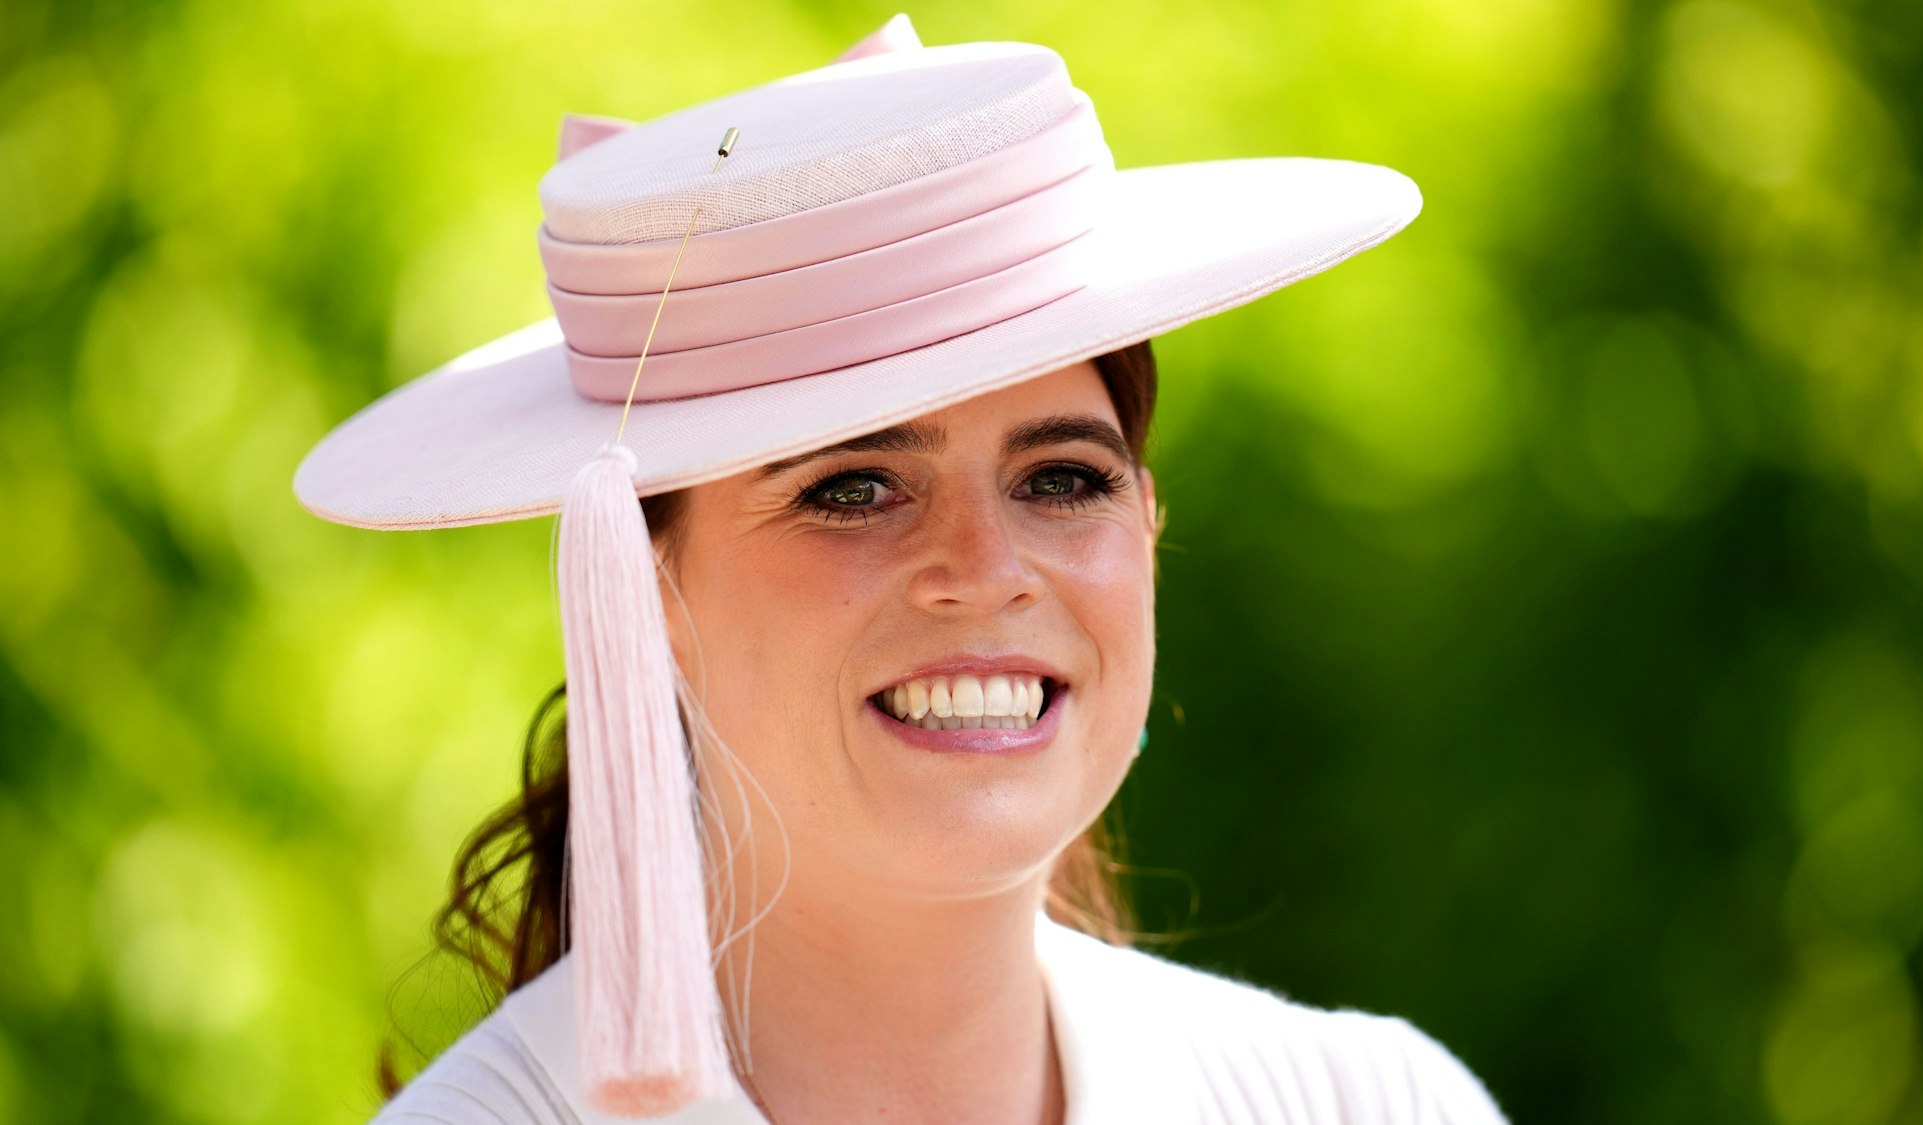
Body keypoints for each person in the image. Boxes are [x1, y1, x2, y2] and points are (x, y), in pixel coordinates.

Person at [294, 14, 1509, 1124]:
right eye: (853, 490)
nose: (983, 573)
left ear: (1146, 525)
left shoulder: (1371, 1104)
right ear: (641, 585)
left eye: (1061, 479)